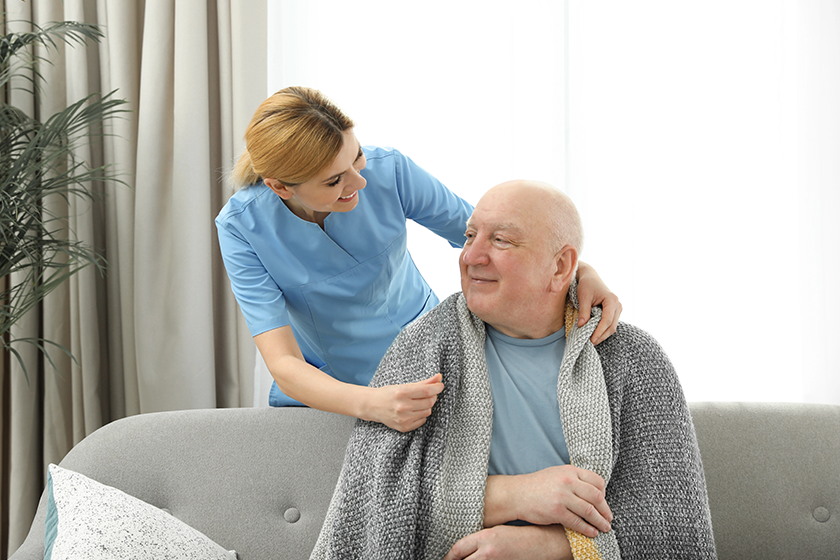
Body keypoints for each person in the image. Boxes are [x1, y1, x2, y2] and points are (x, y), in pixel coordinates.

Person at [311, 181, 717, 560]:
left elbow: (674, 522)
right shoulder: (418, 350)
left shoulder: (633, 357)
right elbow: (371, 506)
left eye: (500, 240)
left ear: (561, 268)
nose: (470, 256)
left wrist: (548, 545)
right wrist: (516, 496)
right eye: (470, 236)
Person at [216, 87, 623, 430]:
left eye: (356, 157)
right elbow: (283, 362)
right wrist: (370, 404)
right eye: (334, 180)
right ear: (280, 187)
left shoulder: (388, 170)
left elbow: (488, 240)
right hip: (334, 389)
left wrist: (576, 270)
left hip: (430, 360)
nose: (359, 181)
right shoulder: (241, 228)